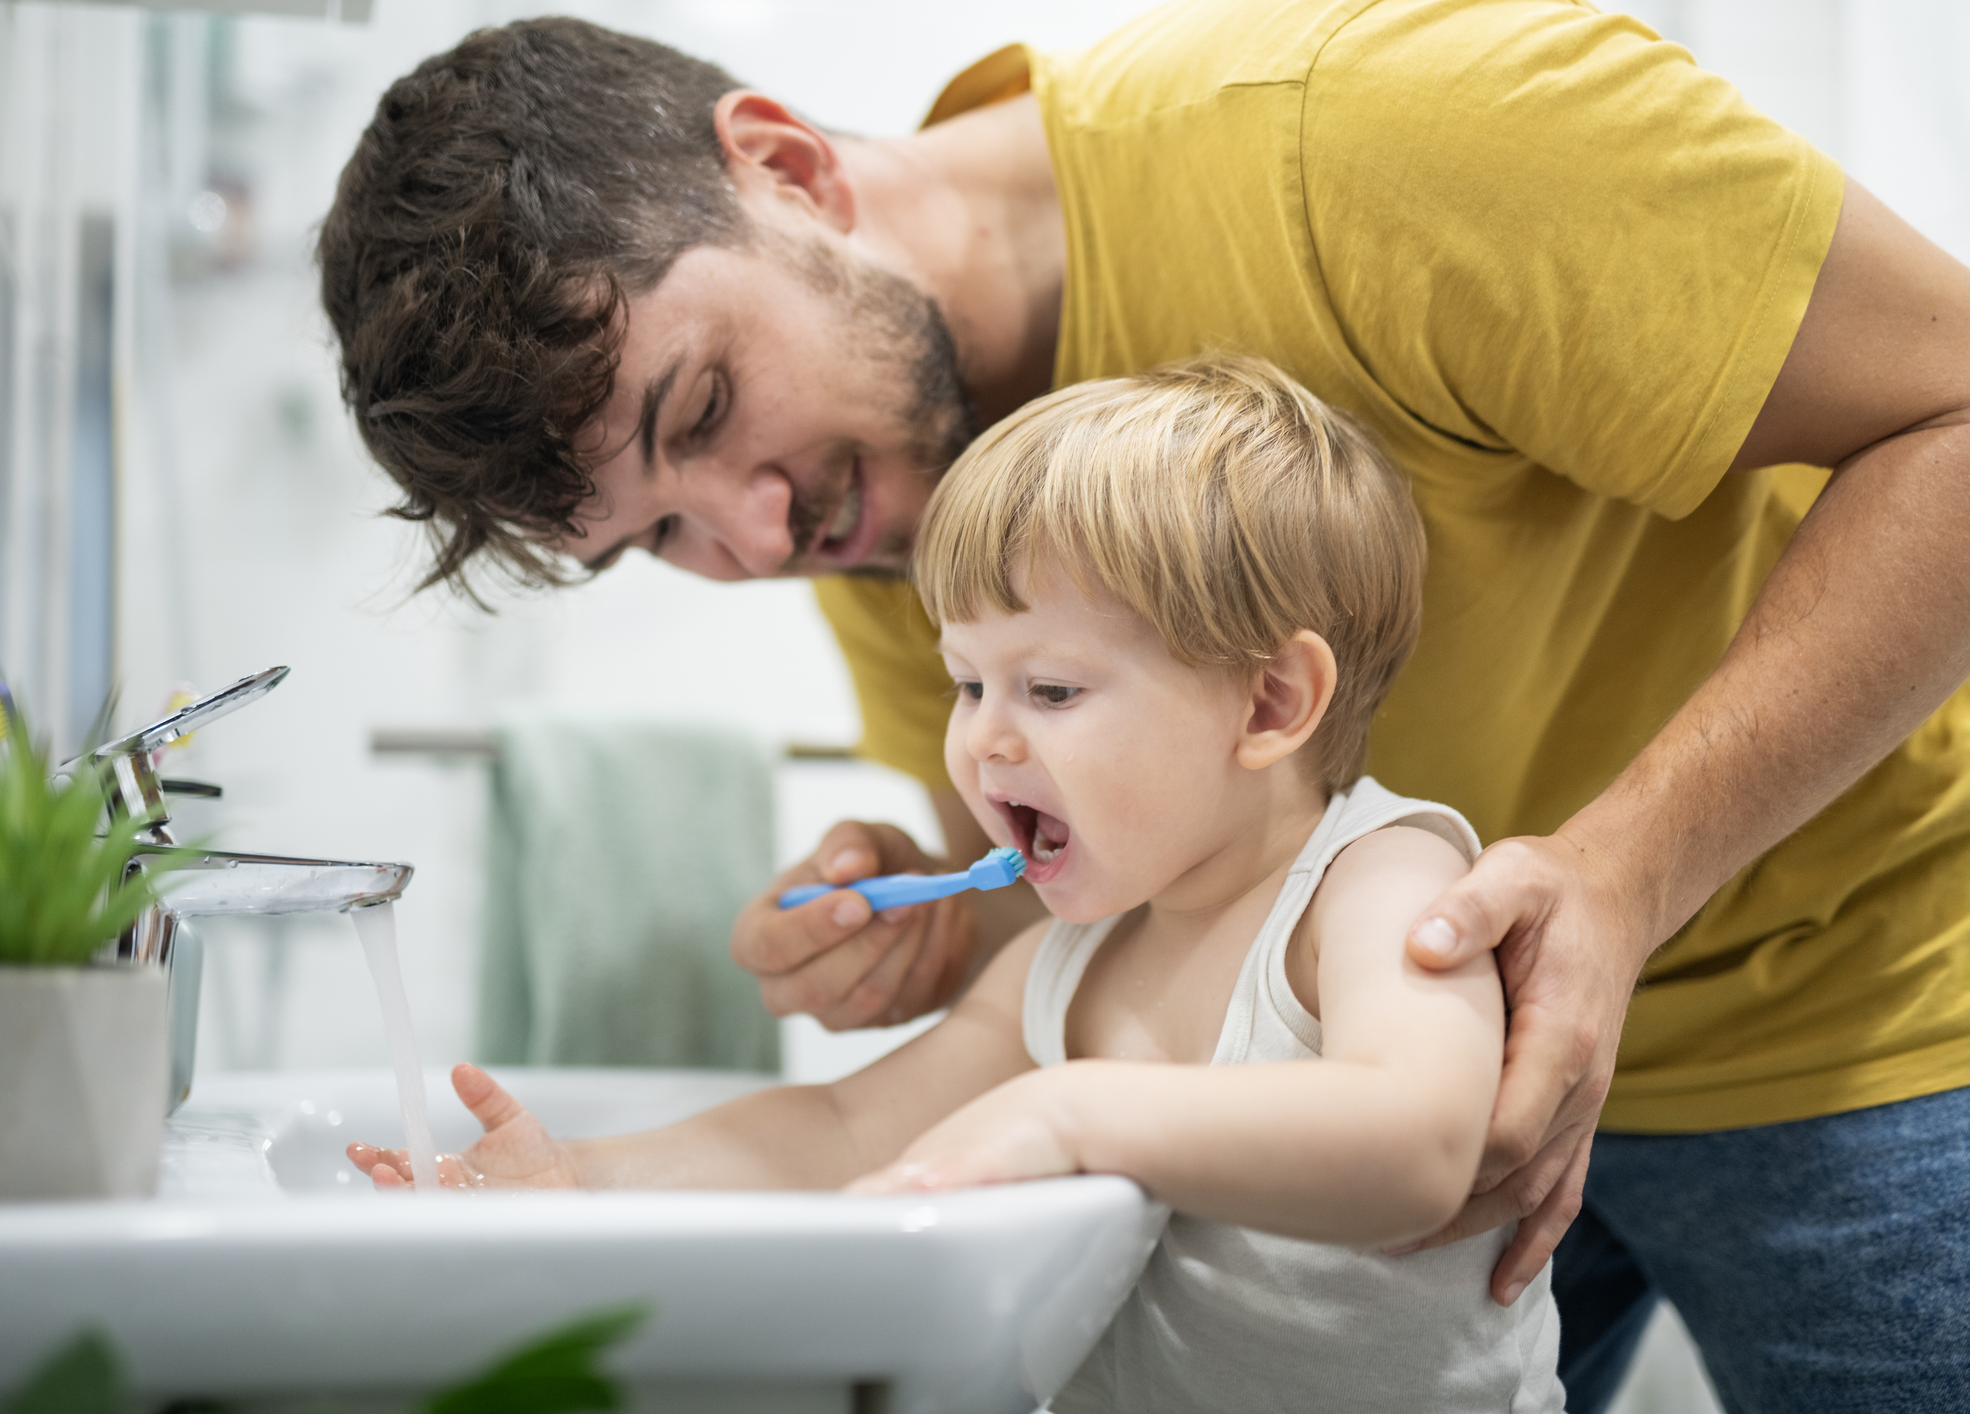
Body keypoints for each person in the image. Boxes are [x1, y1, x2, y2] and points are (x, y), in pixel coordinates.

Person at [318, 4, 1970, 1408]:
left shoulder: (1390, 144)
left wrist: (1626, 870)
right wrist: (942, 921)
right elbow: (1094, 914)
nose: (755, 539)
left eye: (707, 406)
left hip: (1869, 1004)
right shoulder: (889, 508)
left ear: (794, 170)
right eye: (657, 535)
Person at [350, 358, 1567, 1413]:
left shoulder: (1377, 882)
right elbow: (842, 1129)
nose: (982, 741)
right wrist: (587, 1175)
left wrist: (1070, 1114)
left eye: (1048, 691)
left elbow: (1422, 1144)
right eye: (965, 683)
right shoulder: (1069, 954)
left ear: (1268, 704)